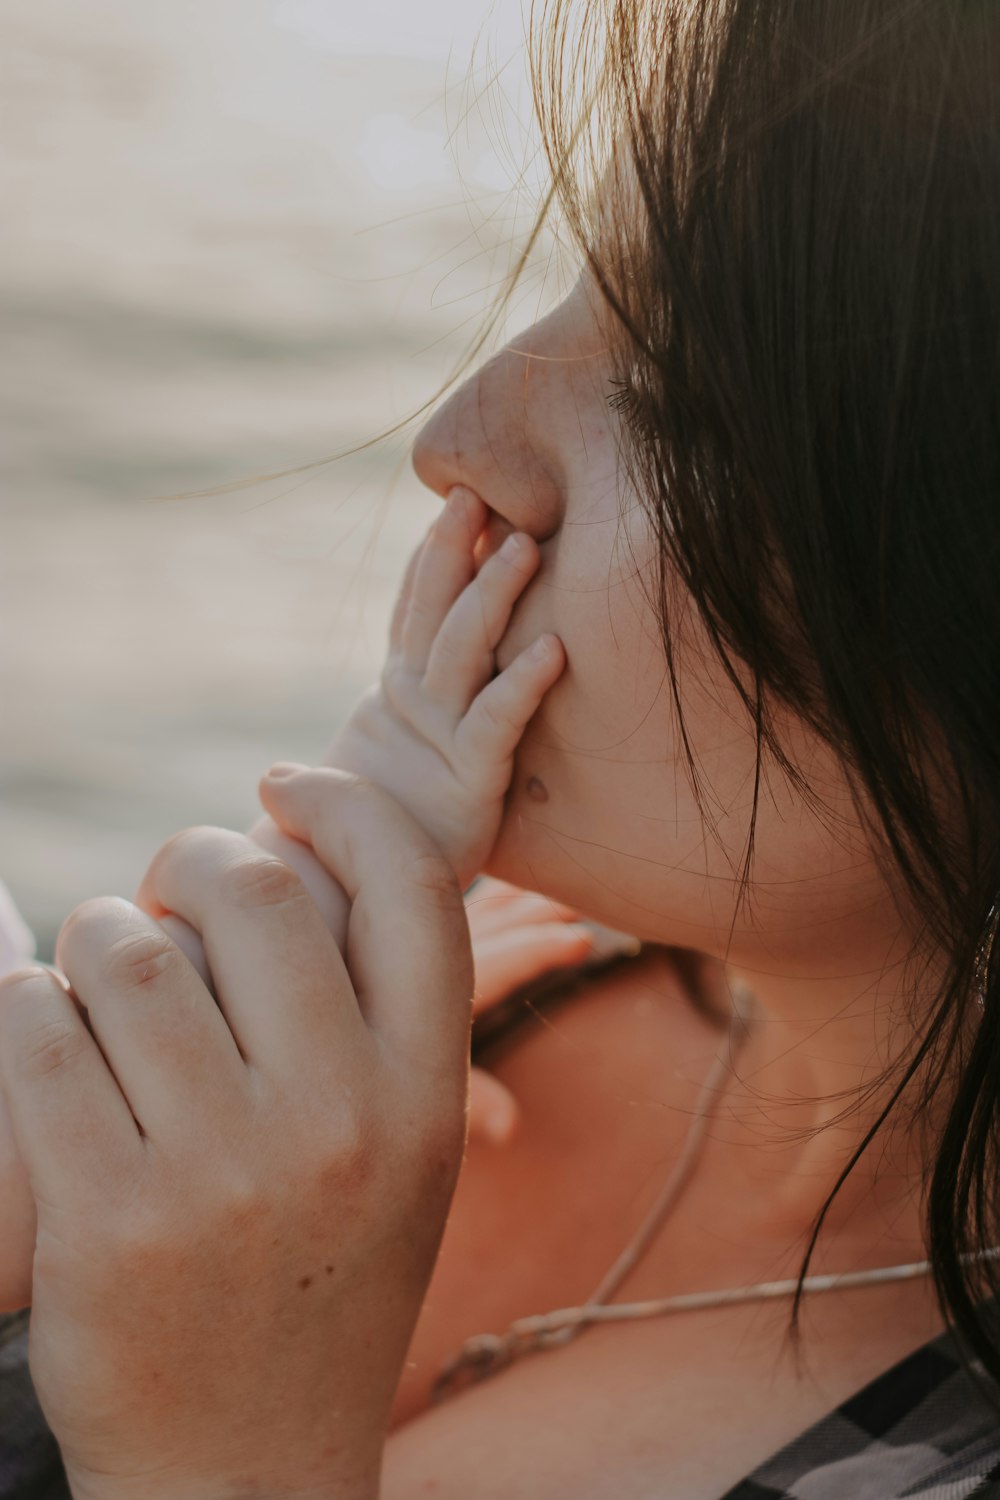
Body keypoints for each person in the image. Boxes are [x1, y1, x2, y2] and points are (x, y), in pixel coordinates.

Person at [3, 0, 1000, 1496]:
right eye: (561, 290)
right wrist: (315, 903)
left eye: (683, 406)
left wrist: (226, 1461)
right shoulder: (503, 963)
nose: (460, 437)